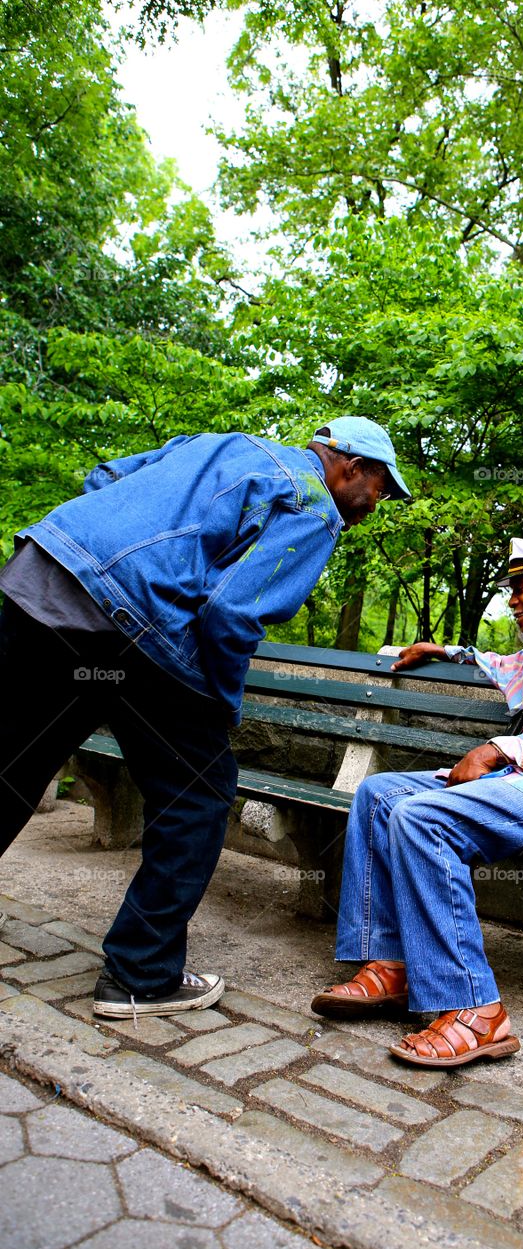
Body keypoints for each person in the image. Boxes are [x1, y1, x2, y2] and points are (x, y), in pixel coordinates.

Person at [0, 417, 410, 1020]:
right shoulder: (314, 504)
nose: (378, 503)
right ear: (349, 466)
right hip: (131, 629)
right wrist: (220, 704)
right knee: (199, 795)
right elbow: (232, 614)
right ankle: (141, 975)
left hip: (41, 581)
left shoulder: (221, 445)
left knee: (13, 766)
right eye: (380, 487)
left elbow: (107, 477)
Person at [311, 538, 523, 1068]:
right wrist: (443, 651)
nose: (511, 599)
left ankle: (475, 1009)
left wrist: (495, 749)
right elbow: (499, 665)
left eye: (519, 587)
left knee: (422, 818)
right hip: (522, 790)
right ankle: (394, 964)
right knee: (379, 795)